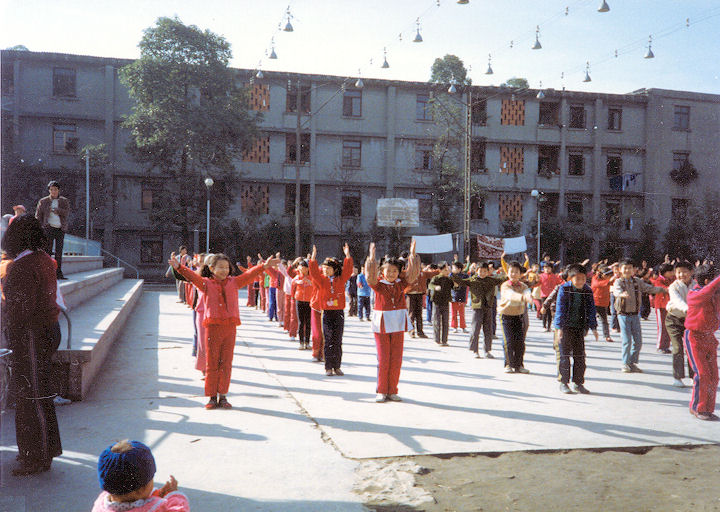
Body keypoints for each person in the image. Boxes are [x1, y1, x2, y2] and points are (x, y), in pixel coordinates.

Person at [170, 252, 279, 409]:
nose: (224, 271)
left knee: (226, 363)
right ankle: (212, 397)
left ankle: (223, 396)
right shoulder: (205, 283)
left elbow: (249, 274)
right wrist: (179, 267)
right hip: (212, 328)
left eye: (227, 267)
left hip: (229, 328)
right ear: (211, 268)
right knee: (212, 362)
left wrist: (264, 266)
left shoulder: (234, 282)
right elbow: (193, 277)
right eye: (220, 267)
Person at [1, 214, 62, 475]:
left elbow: (20, 310)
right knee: (39, 394)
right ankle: (42, 451)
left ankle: (36, 456)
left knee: (32, 396)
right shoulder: (45, 260)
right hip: (47, 330)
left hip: (32, 335)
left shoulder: (22, 266)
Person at [364, 241, 419, 402]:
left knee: (396, 358)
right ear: (382, 271)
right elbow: (370, 277)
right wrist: (372, 258)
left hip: (398, 323)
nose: (391, 274)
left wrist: (412, 255)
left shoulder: (401, 285)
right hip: (381, 324)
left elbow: (412, 275)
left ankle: (392, 389)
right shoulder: (378, 285)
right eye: (388, 271)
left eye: (395, 271)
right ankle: (381, 390)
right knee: (383, 358)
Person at [93, 439, 189, 511]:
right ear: (141, 490)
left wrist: (157, 495)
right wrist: (174, 496)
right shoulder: (155, 508)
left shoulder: (100, 504)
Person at [613, 258, 668, 373]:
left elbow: (649, 288)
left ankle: (632, 363)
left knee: (638, 341)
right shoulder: (619, 281)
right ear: (620, 270)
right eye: (625, 268)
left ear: (634, 270)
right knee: (627, 340)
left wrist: (664, 290)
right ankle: (625, 363)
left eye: (630, 268)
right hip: (623, 315)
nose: (627, 270)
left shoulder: (637, 281)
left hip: (635, 315)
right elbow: (616, 291)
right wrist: (621, 294)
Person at [308, 244, 353, 376]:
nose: (325, 271)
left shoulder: (341, 279)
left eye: (329, 269)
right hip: (326, 313)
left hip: (338, 313)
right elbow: (314, 272)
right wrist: (313, 258)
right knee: (328, 340)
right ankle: (328, 367)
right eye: (324, 268)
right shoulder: (321, 280)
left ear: (335, 269)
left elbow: (348, 270)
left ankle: (337, 366)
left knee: (338, 340)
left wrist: (347, 256)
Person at [553, 264, 599, 394]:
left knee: (580, 357)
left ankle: (578, 383)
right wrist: (559, 328)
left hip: (579, 328)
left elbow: (591, 310)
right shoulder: (564, 289)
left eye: (583, 279)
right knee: (564, 356)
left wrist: (594, 327)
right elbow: (560, 309)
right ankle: (564, 382)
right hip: (565, 328)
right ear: (570, 278)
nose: (580, 282)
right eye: (577, 279)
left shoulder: (587, 290)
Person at [684, 264, 720, 421]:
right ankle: (697, 407)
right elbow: (705, 293)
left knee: (714, 376)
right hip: (694, 337)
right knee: (702, 374)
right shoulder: (694, 293)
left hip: (709, 338)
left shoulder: (714, 294)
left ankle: (707, 409)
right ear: (707, 280)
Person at [450, 262, 506, 358]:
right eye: (480, 271)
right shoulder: (473, 280)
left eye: (485, 271)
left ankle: (487, 350)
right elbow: (461, 281)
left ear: (488, 272)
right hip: (477, 308)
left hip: (488, 307)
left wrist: (508, 272)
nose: (483, 273)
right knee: (475, 329)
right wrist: (452, 274)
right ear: (476, 271)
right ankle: (475, 350)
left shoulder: (491, 280)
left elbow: (502, 279)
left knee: (488, 330)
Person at [498, 261, 533, 373]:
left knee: (520, 342)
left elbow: (527, 292)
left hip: (519, 316)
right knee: (508, 341)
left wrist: (529, 297)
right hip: (506, 316)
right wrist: (523, 298)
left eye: (516, 272)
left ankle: (519, 365)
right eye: (511, 271)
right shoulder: (505, 285)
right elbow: (510, 295)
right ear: (507, 273)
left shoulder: (524, 286)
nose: (513, 274)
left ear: (520, 274)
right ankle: (508, 364)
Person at [665, 260, 695, 388]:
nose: (681, 275)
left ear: (691, 272)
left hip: (690, 320)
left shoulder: (696, 285)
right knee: (677, 348)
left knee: (692, 348)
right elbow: (677, 301)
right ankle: (677, 377)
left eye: (684, 272)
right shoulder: (673, 286)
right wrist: (688, 309)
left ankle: (694, 376)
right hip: (674, 319)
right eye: (678, 272)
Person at [35, 181, 69, 280]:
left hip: (60, 228)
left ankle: (58, 273)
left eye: (55, 189)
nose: (53, 191)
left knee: (59, 252)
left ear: (58, 190)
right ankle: (47, 273)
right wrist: (40, 227)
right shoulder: (43, 201)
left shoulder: (64, 201)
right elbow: (38, 216)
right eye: (51, 190)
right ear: (49, 190)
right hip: (48, 228)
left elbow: (66, 213)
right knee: (47, 251)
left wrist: (57, 210)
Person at [428, 262, 454, 346]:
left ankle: (444, 340)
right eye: (445, 270)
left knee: (445, 322)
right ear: (440, 270)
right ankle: (437, 339)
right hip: (437, 302)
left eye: (448, 270)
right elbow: (430, 285)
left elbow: (455, 286)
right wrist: (435, 287)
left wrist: (457, 284)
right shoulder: (436, 278)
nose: (447, 271)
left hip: (445, 302)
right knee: (437, 321)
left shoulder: (449, 279)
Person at [652, 263, 675, 354]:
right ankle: (660, 346)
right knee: (662, 327)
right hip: (660, 306)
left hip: (669, 306)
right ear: (665, 272)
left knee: (669, 326)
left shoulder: (671, 279)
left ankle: (666, 346)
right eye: (671, 271)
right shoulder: (658, 280)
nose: (673, 273)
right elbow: (665, 289)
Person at [291, 259, 314, 350]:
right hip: (299, 300)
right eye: (301, 268)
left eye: (304, 268)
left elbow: (316, 286)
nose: (302, 270)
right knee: (301, 322)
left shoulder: (311, 277)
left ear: (307, 269)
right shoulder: (297, 277)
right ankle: (301, 342)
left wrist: (310, 283)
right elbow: (293, 286)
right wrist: (297, 282)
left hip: (309, 301)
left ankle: (307, 342)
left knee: (308, 322)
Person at [591, 266, 615, 342]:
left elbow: (614, 282)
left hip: (602, 303)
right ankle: (583, 333)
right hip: (593, 301)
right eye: (608, 276)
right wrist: (609, 281)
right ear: (604, 275)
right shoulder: (595, 278)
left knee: (604, 320)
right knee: (588, 319)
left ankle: (607, 336)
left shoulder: (607, 280)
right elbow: (597, 284)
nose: (609, 277)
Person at [539, 264, 563, 332]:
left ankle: (549, 327)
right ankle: (544, 326)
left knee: (550, 312)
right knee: (544, 311)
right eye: (545, 268)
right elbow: (537, 283)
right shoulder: (541, 276)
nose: (547, 269)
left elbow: (560, 283)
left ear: (551, 269)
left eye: (548, 268)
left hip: (552, 296)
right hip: (544, 295)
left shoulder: (554, 276)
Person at [450, 260, 469, 333]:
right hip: (453, 297)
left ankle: (463, 327)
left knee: (462, 314)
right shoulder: (451, 276)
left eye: (454, 268)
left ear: (459, 269)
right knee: (454, 314)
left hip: (461, 297)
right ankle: (454, 327)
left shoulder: (465, 276)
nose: (452, 269)